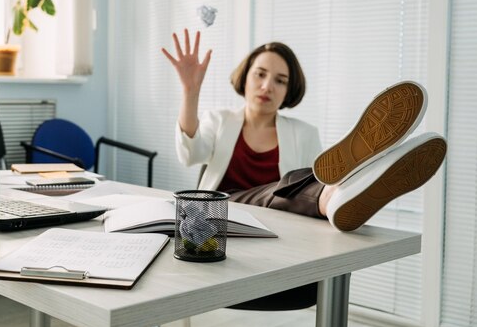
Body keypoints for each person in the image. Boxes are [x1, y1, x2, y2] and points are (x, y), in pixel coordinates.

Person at [161, 29, 447, 233]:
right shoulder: (219, 120)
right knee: (290, 186)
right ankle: (339, 193)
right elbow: (190, 154)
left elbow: (308, 186)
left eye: (280, 80)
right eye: (260, 74)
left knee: (309, 180)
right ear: (245, 77)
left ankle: (356, 180)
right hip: (219, 218)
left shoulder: (304, 133)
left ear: (289, 91)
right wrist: (190, 92)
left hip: (277, 225)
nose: (267, 86)